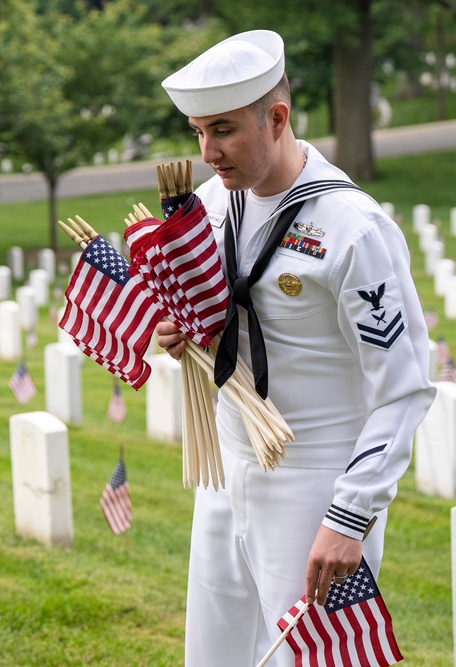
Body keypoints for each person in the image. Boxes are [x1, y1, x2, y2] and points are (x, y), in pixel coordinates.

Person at [156, 30, 436, 666]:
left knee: (309, 659)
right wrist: (180, 332)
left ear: (275, 117)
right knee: (216, 653)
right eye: (198, 132)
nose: (207, 152)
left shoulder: (353, 229)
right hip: (227, 466)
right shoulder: (209, 202)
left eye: (222, 130)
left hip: (315, 481)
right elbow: (209, 311)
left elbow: (404, 388)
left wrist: (351, 515)